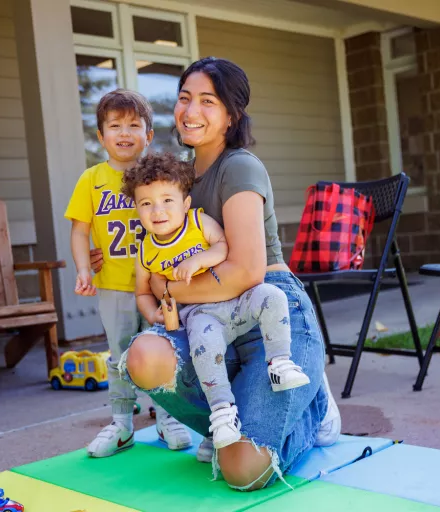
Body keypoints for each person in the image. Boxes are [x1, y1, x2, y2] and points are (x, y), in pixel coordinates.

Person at [111, 57, 341, 490]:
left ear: (232, 115)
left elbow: (246, 271)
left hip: (266, 316)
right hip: (207, 322)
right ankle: (225, 424)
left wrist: (168, 286)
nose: (190, 111)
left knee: (242, 472)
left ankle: (313, 409)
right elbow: (149, 250)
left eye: (207, 101)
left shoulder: (239, 166)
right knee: (143, 357)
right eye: (183, 98)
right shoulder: (177, 178)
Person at [120, 152, 310, 450]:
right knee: (204, 349)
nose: (157, 210)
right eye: (147, 203)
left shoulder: (198, 222)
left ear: (185, 203)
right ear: (137, 209)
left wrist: (200, 259)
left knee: (272, 296)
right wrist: (152, 313)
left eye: (167, 200)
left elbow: (222, 246)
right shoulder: (145, 251)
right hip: (200, 315)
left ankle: (280, 361)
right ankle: (221, 413)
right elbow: (143, 291)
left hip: (235, 302)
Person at [64, 89, 192, 458]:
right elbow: (79, 230)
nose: (124, 133)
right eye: (115, 125)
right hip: (115, 286)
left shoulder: (156, 178)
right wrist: (84, 268)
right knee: (120, 355)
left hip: (157, 285)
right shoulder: (92, 179)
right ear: (101, 136)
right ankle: (122, 423)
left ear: (148, 135)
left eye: (134, 125)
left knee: (165, 350)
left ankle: (168, 417)